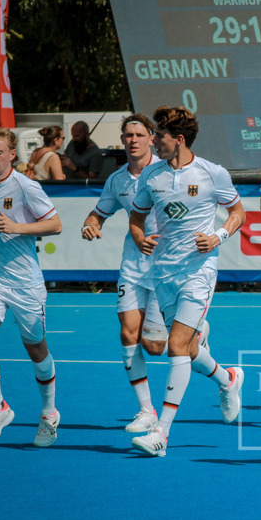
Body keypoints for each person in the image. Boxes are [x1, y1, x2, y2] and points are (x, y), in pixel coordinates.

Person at [128, 106, 245, 457]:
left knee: (177, 345)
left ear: (178, 139)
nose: (153, 141)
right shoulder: (151, 176)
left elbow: (238, 212)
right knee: (190, 349)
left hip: (199, 273)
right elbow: (136, 217)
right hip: (163, 274)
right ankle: (228, 378)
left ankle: (161, 434)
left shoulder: (212, 173)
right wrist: (140, 238)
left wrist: (218, 237)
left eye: (158, 135)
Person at [0, 127, 63, 446]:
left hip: (25, 283)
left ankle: (49, 413)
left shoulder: (26, 186)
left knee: (36, 349)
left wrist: (17, 227)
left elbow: (55, 225)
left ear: (12, 154)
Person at [81, 113, 169, 433]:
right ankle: (146, 410)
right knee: (128, 333)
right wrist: (90, 225)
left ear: (151, 139)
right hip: (132, 266)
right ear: (122, 140)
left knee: (155, 347)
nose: (133, 140)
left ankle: (197, 334)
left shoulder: (167, 171)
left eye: (139, 135)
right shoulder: (117, 179)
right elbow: (98, 213)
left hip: (165, 268)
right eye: (128, 135)